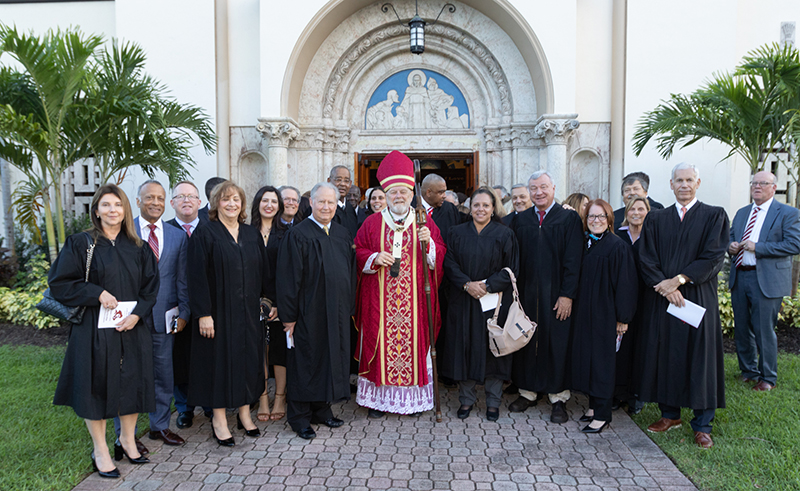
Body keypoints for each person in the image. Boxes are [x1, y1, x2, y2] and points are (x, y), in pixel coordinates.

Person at [49, 184, 159, 478]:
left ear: (126, 210)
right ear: (96, 210)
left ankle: (126, 439)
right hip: (93, 331)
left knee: (133, 383)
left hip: (131, 328)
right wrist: (96, 293)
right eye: (106, 205)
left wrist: (137, 316)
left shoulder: (138, 247)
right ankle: (100, 449)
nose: (113, 210)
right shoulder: (81, 244)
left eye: (118, 205)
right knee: (95, 386)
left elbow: (151, 288)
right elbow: (60, 284)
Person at [635, 162, 729, 449]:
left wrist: (678, 280)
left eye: (689, 180)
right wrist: (664, 286)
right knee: (668, 354)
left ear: (697, 184)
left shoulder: (714, 216)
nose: (684, 185)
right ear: (671, 184)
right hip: (664, 299)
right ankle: (670, 414)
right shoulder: (656, 219)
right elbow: (645, 257)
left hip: (697, 297)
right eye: (679, 180)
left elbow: (713, 257)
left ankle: (702, 424)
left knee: (700, 357)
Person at [355, 151, 446, 418]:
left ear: (411, 193)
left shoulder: (423, 221)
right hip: (379, 300)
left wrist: (429, 243)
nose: (398, 196)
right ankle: (378, 402)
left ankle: (413, 401)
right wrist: (372, 257)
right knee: (379, 345)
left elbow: (439, 255)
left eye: (403, 192)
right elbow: (358, 251)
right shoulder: (372, 223)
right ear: (385, 194)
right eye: (393, 192)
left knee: (415, 345)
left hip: (415, 302)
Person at [187, 181, 269, 445]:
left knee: (248, 361)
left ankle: (245, 414)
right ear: (215, 204)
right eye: (225, 199)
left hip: (247, 313)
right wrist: (203, 314)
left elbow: (263, 272)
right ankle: (219, 419)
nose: (232, 204)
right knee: (219, 365)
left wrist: (266, 302)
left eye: (236, 199)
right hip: (217, 314)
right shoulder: (206, 233)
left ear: (242, 204)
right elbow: (196, 277)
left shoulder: (250, 233)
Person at [112, 180, 189, 449]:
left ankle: (159, 427)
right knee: (128, 377)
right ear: (138, 201)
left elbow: (182, 279)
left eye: (160, 198)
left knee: (163, 375)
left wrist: (184, 312)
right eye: (149, 197)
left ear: (166, 202)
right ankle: (125, 435)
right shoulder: (123, 231)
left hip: (163, 318)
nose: (155, 202)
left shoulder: (177, 235)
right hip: (129, 318)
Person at [277, 182, 356, 439]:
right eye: (321, 202)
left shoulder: (343, 234)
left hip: (337, 312)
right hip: (307, 313)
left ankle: (322, 409)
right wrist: (289, 317)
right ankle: (299, 417)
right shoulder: (298, 234)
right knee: (306, 362)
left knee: (331, 359)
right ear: (311, 203)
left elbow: (351, 274)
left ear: (336, 205)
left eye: (330, 202)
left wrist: (349, 308)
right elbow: (288, 279)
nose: (326, 207)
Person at [508, 170, 583, 423]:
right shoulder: (521, 220)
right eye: (533, 188)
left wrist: (567, 295)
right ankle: (527, 391)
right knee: (526, 339)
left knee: (556, 342)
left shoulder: (568, 219)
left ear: (553, 187)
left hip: (556, 295)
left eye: (543, 187)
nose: (538, 192)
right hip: (527, 293)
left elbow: (574, 261)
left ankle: (558, 396)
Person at [441, 187, 519, 421]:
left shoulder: (505, 234)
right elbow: (449, 263)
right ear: (470, 207)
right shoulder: (456, 232)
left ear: (493, 208)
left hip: (493, 303)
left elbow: (512, 269)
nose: (481, 209)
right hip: (463, 301)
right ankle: (466, 400)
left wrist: (486, 285)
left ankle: (493, 402)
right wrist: (467, 284)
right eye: (476, 205)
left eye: (486, 205)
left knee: (493, 350)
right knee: (463, 350)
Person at [569, 199, 638, 433]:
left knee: (602, 364)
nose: (595, 221)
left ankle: (602, 414)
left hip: (606, 315)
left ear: (609, 219)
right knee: (587, 359)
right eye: (591, 217)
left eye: (600, 217)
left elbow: (626, 285)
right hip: (585, 313)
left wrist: (623, 318)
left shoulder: (617, 247)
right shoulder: (586, 243)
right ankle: (592, 406)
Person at [729, 171, 800, 391]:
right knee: (741, 327)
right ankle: (748, 371)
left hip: (767, 279)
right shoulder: (742, 213)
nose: (757, 186)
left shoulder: (788, 213)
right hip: (740, 275)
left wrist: (758, 247)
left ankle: (767, 377)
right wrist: (730, 246)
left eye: (763, 183)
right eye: (754, 183)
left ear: (774, 187)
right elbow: (731, 236)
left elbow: (793, 245)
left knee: (763, 329)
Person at [166, 180, 211, 430]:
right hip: (174, 307)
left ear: (199, 202)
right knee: (180, 358)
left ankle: (208, 403)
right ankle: (184, 408)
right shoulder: (164, 231)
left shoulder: (212, 229)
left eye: (191, 196)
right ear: (172, 203)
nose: (186, 200)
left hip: (207, 307)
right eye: (180, 196)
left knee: (205, 356)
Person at [250, 186, 285, 421]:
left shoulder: (287, 233)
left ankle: (280, 397)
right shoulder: (245, 232)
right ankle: (262, 397)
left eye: (274, 201)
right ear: (258, 204)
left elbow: (290, 272)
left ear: (279, 206)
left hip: (279, 302)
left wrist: (281, 304)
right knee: (258, 351)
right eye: (265, 200)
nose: (269, 205)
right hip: (251, 301)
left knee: (279, 351)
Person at [614, 196, 651, 414]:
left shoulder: (653, 237)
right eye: (631, 209)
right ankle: (619, 394)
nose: (636, 213)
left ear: (648, 211)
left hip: (647, 300)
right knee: (622, 349)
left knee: (642, 348)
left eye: (641, 209)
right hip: (622, 300)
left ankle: (638, 396)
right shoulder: (618, 236)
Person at [418, 173, 467, 244]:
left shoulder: (450, 209)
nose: (444, 196)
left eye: (445, 191)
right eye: (441, 192)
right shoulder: (409, 208)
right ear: (428, 192)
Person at [327, 165, 359, 239]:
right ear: (329, 181)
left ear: (350, 184)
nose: (343, 184)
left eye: (346, 181)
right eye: (338, 180)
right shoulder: (323, 208)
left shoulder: (350, 208)